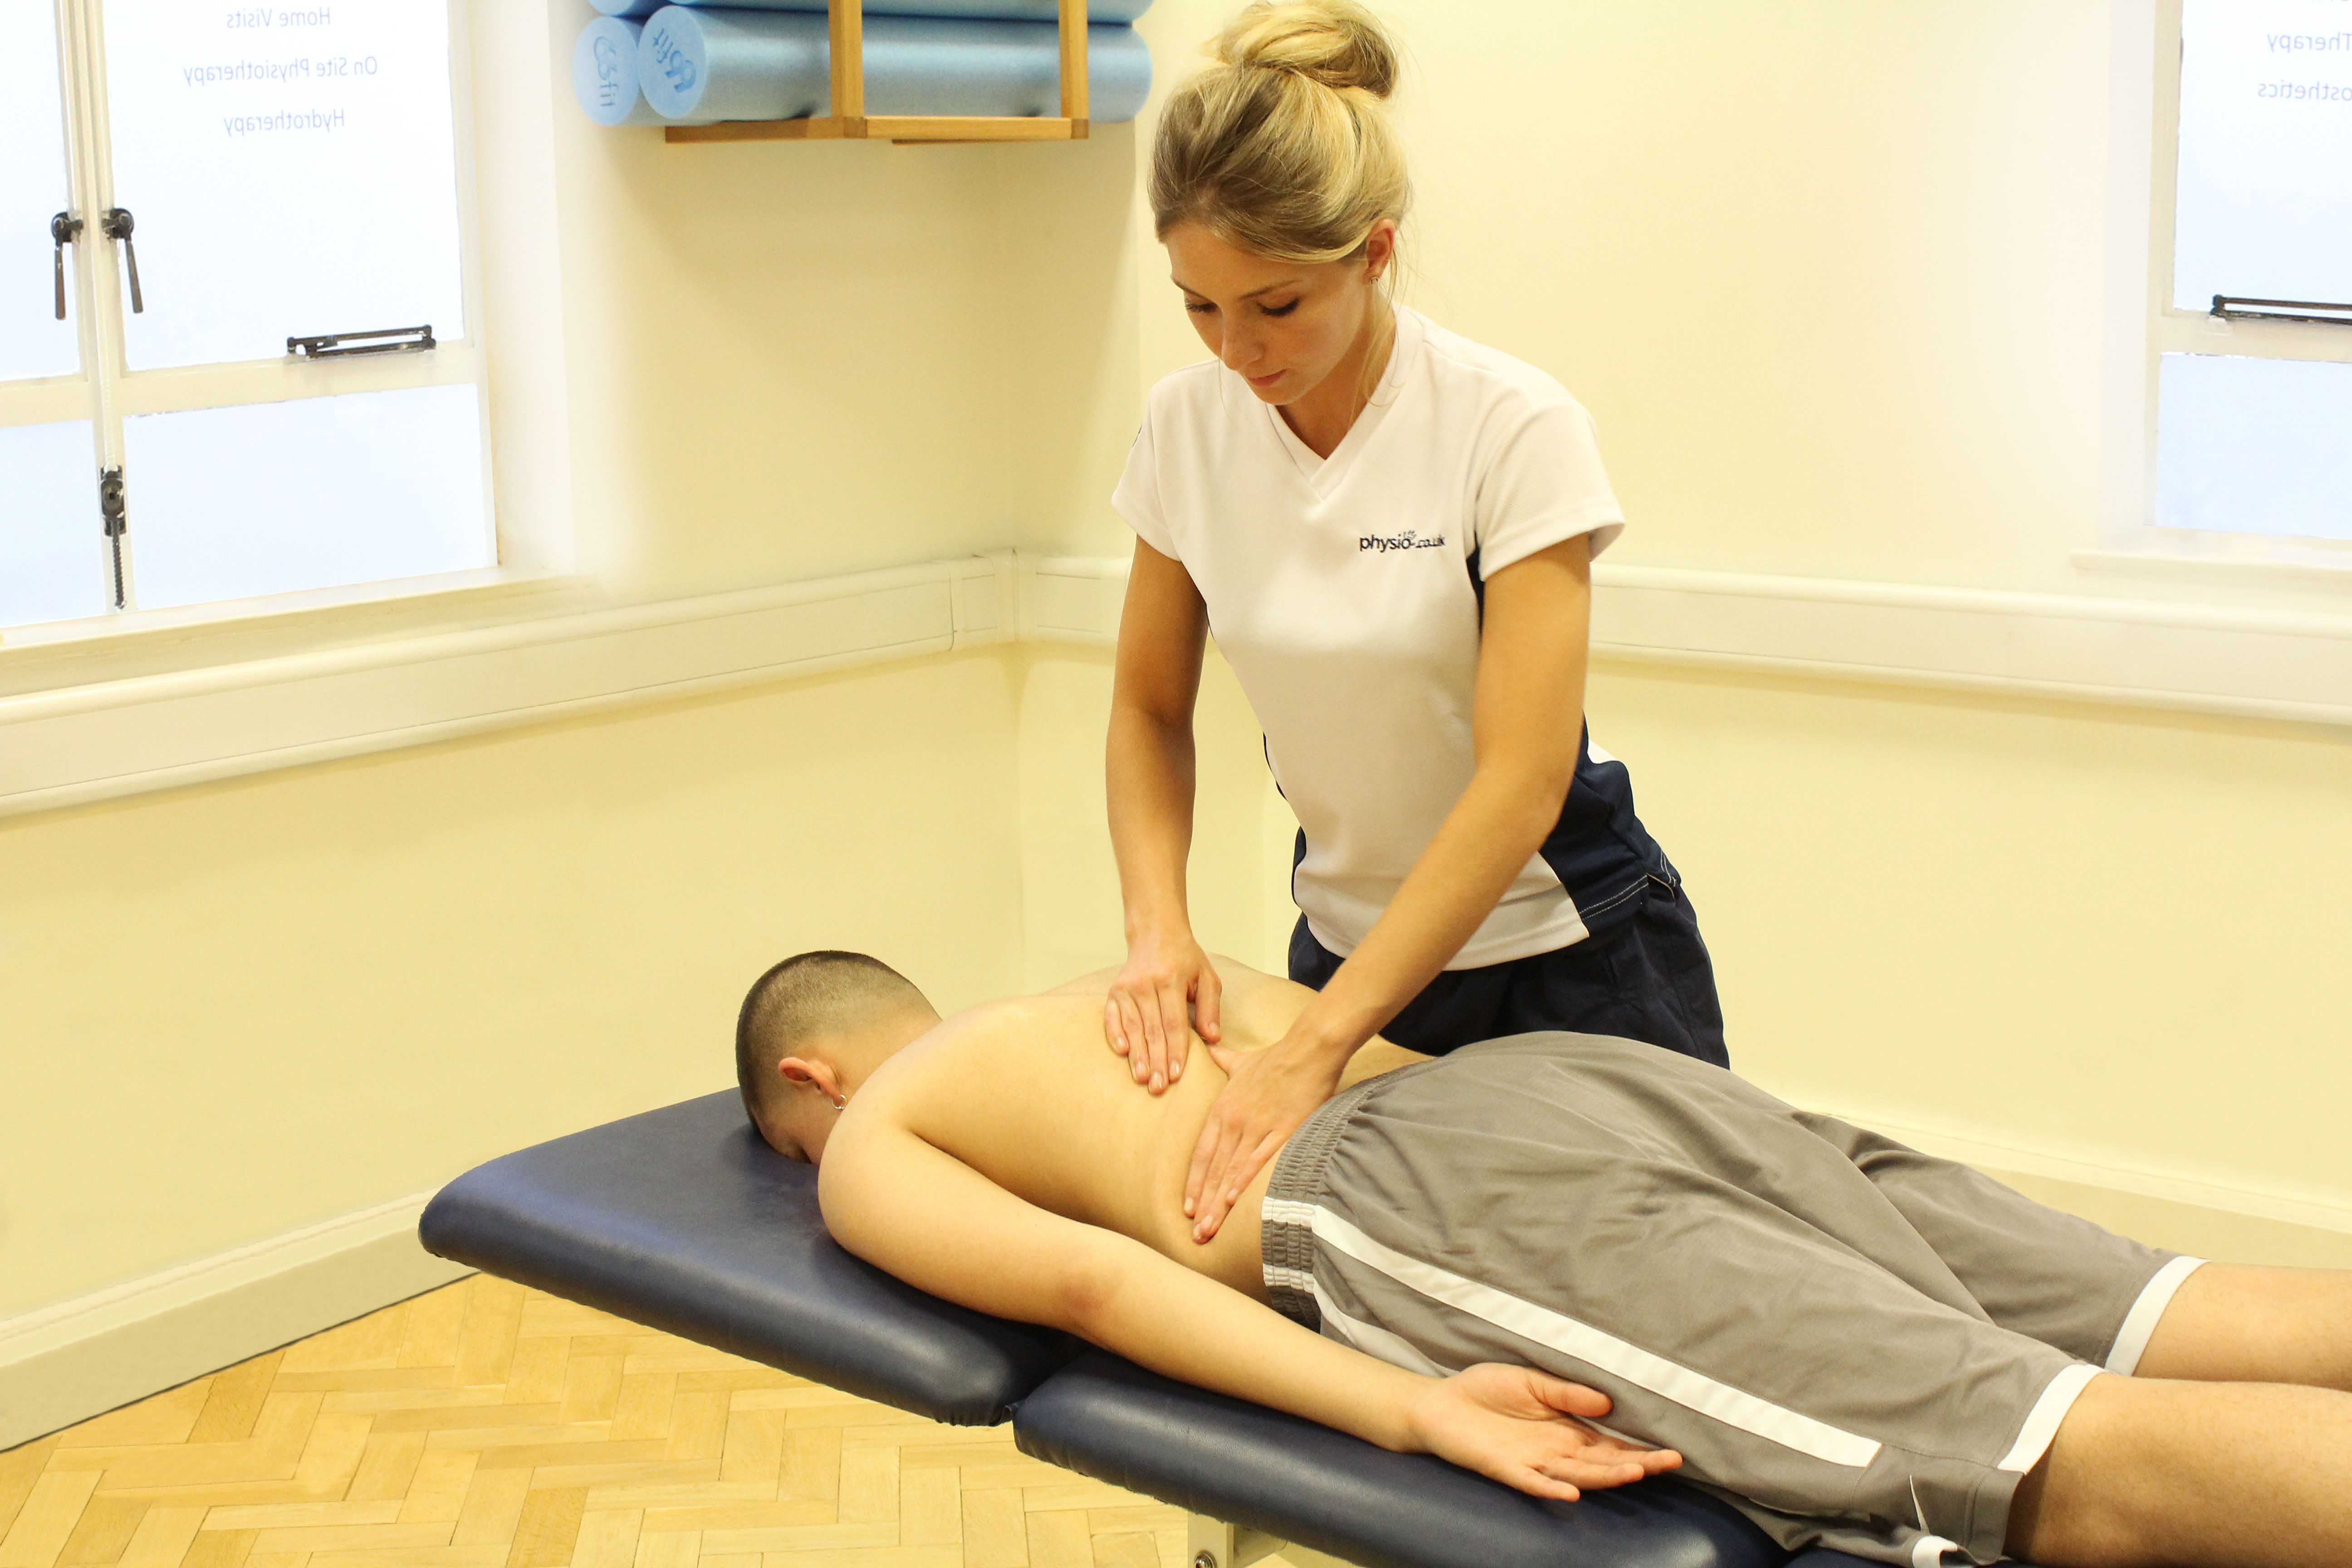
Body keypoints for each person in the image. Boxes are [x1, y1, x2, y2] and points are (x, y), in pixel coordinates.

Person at [734, 949, 2352, 1568]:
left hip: (1428, 1188)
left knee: (2047, 1458)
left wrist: (1412, 1410)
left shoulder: (876, 1139)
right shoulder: (1118, 980)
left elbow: (1104, 1288)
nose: (821, 1180)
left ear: (811, 1081)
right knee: (2172, 1309)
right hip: (1567, 1078)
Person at [1103, 0, 1724, 1246]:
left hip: (1568, 957)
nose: (1238, 350)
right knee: (1396, 1322)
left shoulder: (1508, 427)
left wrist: (1320, 1048)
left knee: (1654, 1317)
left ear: (1375, 253)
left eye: (1276, 306)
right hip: (1342, 953)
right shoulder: (1186, 429)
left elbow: (1523, 779)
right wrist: (1157, 928)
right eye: (1200, 308)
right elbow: (1147, 706)